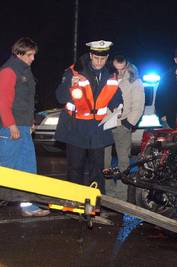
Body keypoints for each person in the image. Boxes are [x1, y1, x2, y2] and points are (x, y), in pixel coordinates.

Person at [55, 40, 122, 193]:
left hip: (97, 129)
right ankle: (73, 201)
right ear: (91, 55)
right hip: (75, 127)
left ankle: (95, 202)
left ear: (107, 57)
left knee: (97, 169)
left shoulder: (111, 74)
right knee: (75, 167)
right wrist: (70, 85)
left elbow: (116, 97)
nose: (99, 62)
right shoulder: (73, 72)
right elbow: (59, 97)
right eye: (96, 58)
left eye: (103, 58)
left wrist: (119, 106)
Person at [0, 37, 49, 217]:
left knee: (28, 168)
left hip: (23, 127)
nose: (33, 58)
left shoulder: (25, 71)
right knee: (6, 170)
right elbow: (3, 102)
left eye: (33, 55)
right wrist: (11, 125)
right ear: (19, 53)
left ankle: (29, 206)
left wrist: (30, 121)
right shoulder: (9, 71)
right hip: (10, 127)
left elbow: (25, 101)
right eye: (30, 55)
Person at [103, 55, 144, 198]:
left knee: (123, 162)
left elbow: (138, 105)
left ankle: (121, 195)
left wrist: (129, 123)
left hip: (122, 124)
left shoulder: (134, 81)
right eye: (116, 69)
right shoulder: (106, 77)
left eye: (122, 69)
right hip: (105, 124)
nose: (120, 72)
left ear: (127, 65)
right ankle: (108, 193)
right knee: (104, 161)